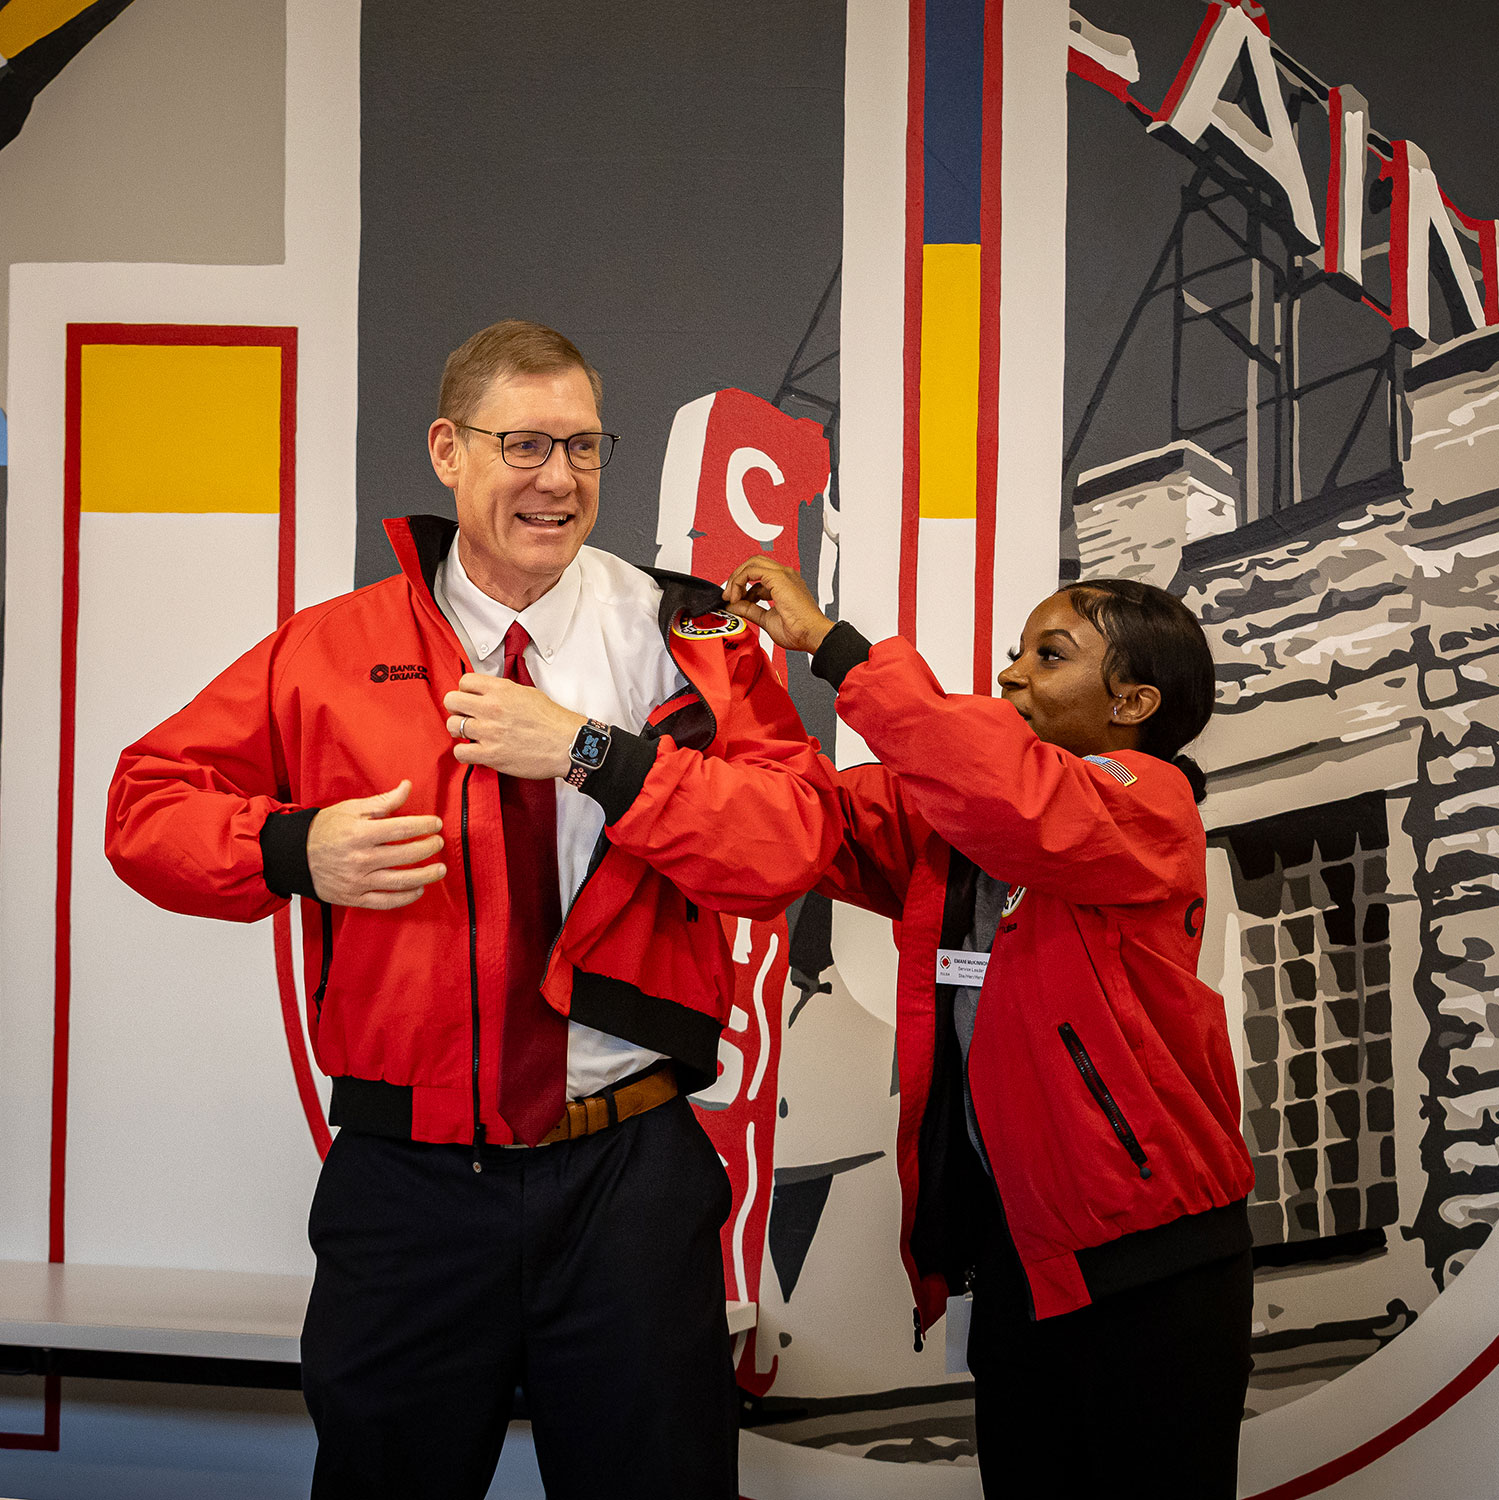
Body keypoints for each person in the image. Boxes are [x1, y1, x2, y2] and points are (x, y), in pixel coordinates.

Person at [105, 320, 841, 1500]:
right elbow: (145, 808)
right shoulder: (330, 649)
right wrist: (293, 848)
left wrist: (598, 756)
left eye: (585, 447)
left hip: (628, 1176)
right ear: (449, 451)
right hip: (411, 1185)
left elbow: (792, 843)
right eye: (525, 444)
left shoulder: (685, 636)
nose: (559, 479)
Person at [723, 556, 1256, 1498]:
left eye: (1049, 656)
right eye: (1017, 653)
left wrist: (832, 647)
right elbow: (815, 817)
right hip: (1024, 1253)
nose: (1011, 673)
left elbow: (1006, 790)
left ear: (1133, 703)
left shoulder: (1147, 805)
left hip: (1150, 1258)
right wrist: (732, 680)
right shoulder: (969, 820)